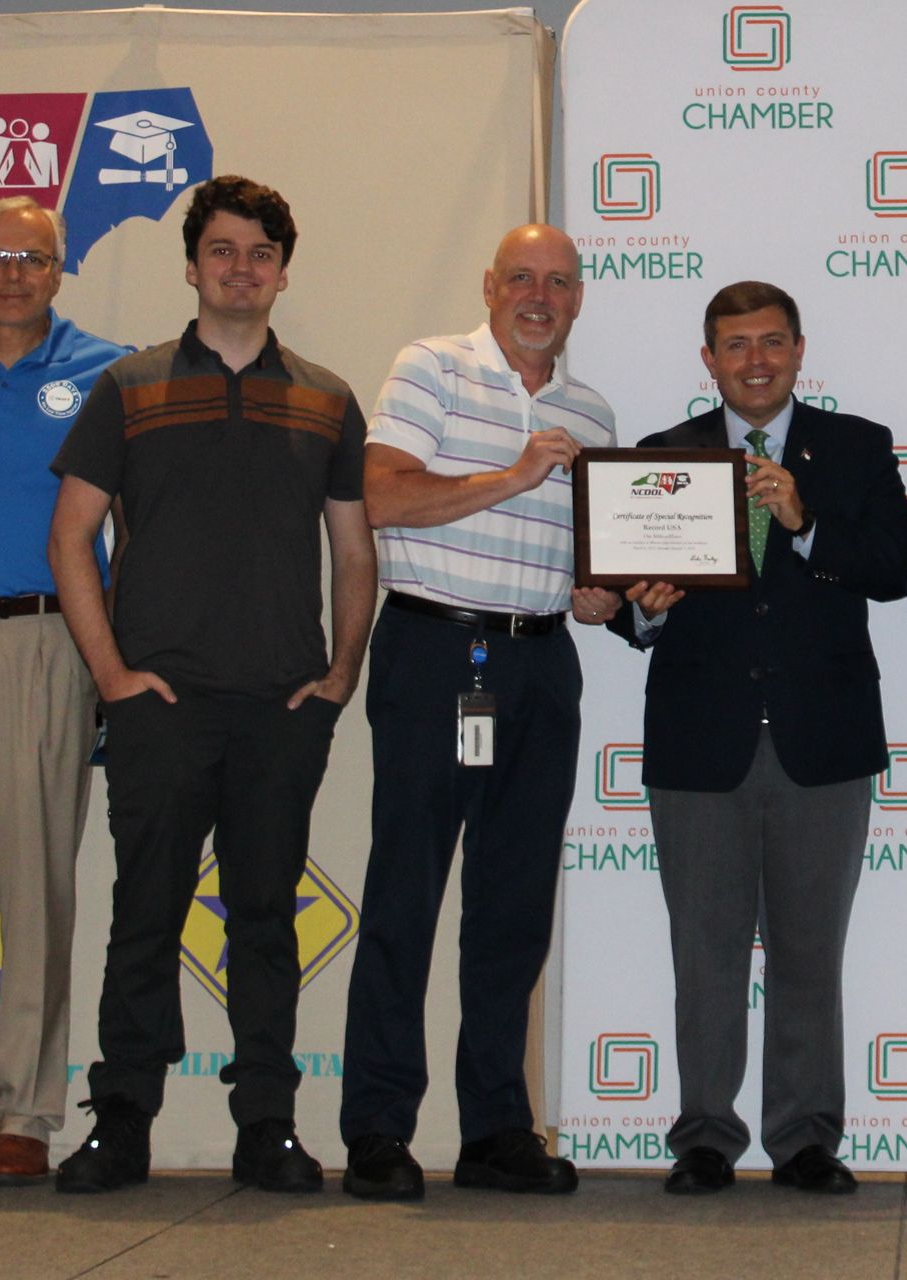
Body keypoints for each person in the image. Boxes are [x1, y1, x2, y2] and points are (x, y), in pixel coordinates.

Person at [47, 175, 376, 1194]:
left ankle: (266, 1123)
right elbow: (70, 537)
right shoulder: (129, 385)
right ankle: (122, 1121)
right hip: (161, 706)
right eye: (223, 251)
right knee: (144, 913)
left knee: (265, 918)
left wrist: (340, 674)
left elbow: (353, 551)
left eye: (260, 253)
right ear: (192, 266)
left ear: (283, 273)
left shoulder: (327, 398)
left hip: (282, 707)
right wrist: (112, 675)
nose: (242, 268)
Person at [589, 280, 907, 1195]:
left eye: (772, 342)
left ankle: (805, 1138)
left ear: (800, 350)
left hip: (823, 736)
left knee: (811, 952)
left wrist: (806, 525)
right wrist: (645, 610)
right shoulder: (663, 457)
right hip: (701, 740)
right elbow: (632, 607)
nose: (756, 361)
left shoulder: (856, 447)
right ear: (709, 360)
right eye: (735, 345)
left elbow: (894, 568)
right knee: (705, 953)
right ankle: (705, 1136)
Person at [339, 224, 614, 1201]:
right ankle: (378, 1125)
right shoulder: (432, 367)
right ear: (490, 286)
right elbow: (380, 496)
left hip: (540, 658)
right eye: (522, 278)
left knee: (512, 907)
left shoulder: (590, 409)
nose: (540, 296)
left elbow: (588, 561)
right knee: (406, 893)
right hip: (438, 650)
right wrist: (513, 474)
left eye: (559, 282)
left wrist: (605, 594)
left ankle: (496, 1126)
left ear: (578, 298)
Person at [0, 196, 128, 1187]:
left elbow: (139, 526)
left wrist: (114, 655)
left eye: (31, 257)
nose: (12, 273)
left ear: (58, 268)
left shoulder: (109, 373)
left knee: (37, 889)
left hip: (52, 640)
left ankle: (25, 1115)